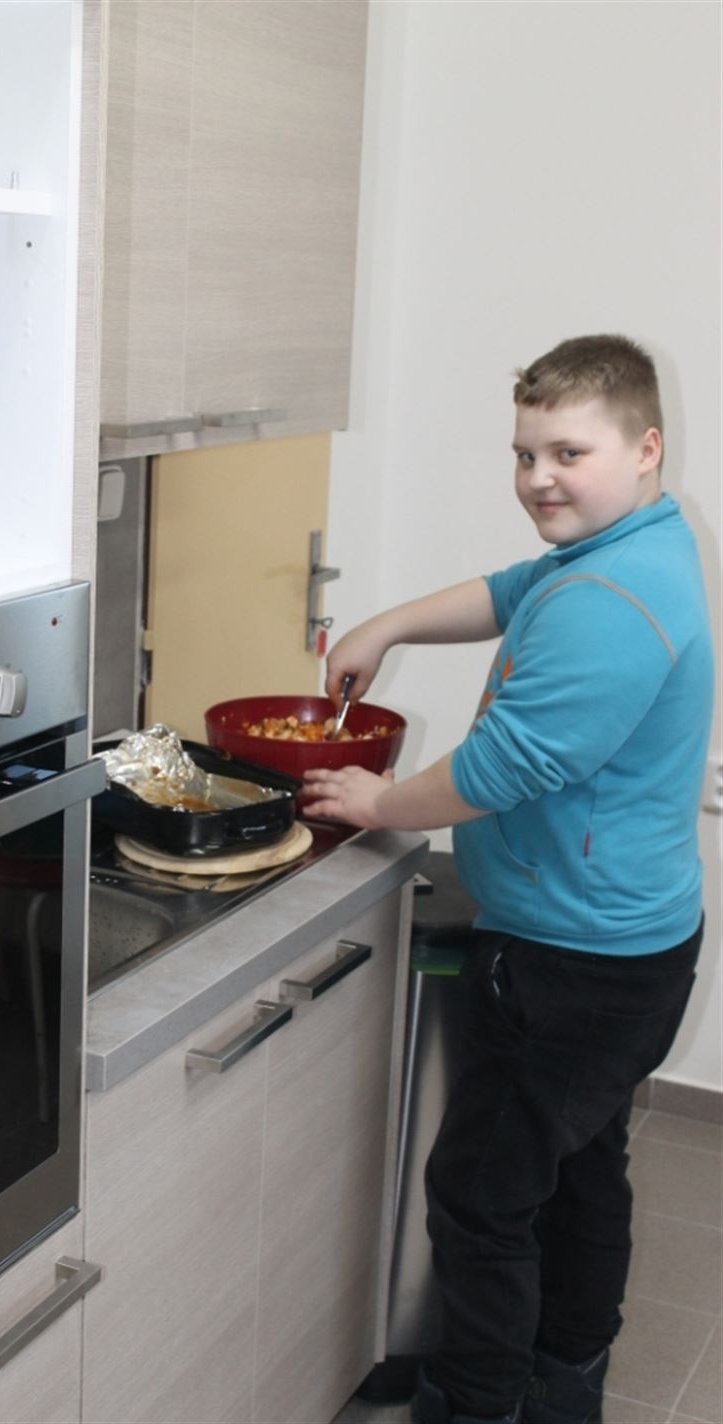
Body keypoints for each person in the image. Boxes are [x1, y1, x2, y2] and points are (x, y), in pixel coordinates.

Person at [303, 334, 714, 1424]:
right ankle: (564, 1382)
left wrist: (374, 802)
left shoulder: (611, 596)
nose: (538, 478)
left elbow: (502, 767)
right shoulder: (635, 541)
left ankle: (476, 1404)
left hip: (572, 960)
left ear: (644, 447)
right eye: (525, 453)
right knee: (578, 1170)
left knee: (482, 1198)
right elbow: (510, 588)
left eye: (568, 453)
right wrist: (388, 624)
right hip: (627, 942)